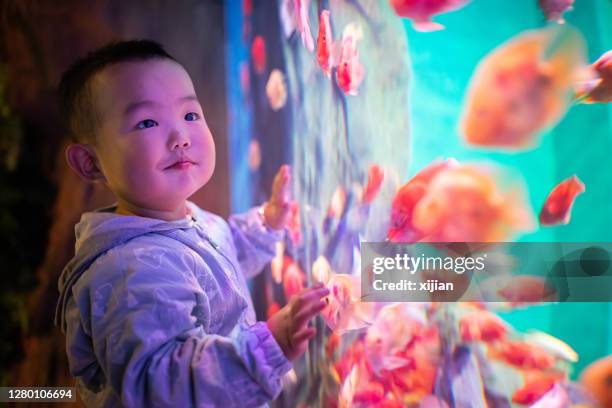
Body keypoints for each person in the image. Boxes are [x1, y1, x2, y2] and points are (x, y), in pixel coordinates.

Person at [54, 39, 328, 407]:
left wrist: (266, 221)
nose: (180, 137)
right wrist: (265, 350)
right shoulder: (132, 273)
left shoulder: (178, 219)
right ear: (91, 163)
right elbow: (166, 387)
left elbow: (219, 250)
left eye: (190, 115)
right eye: (147, 122)